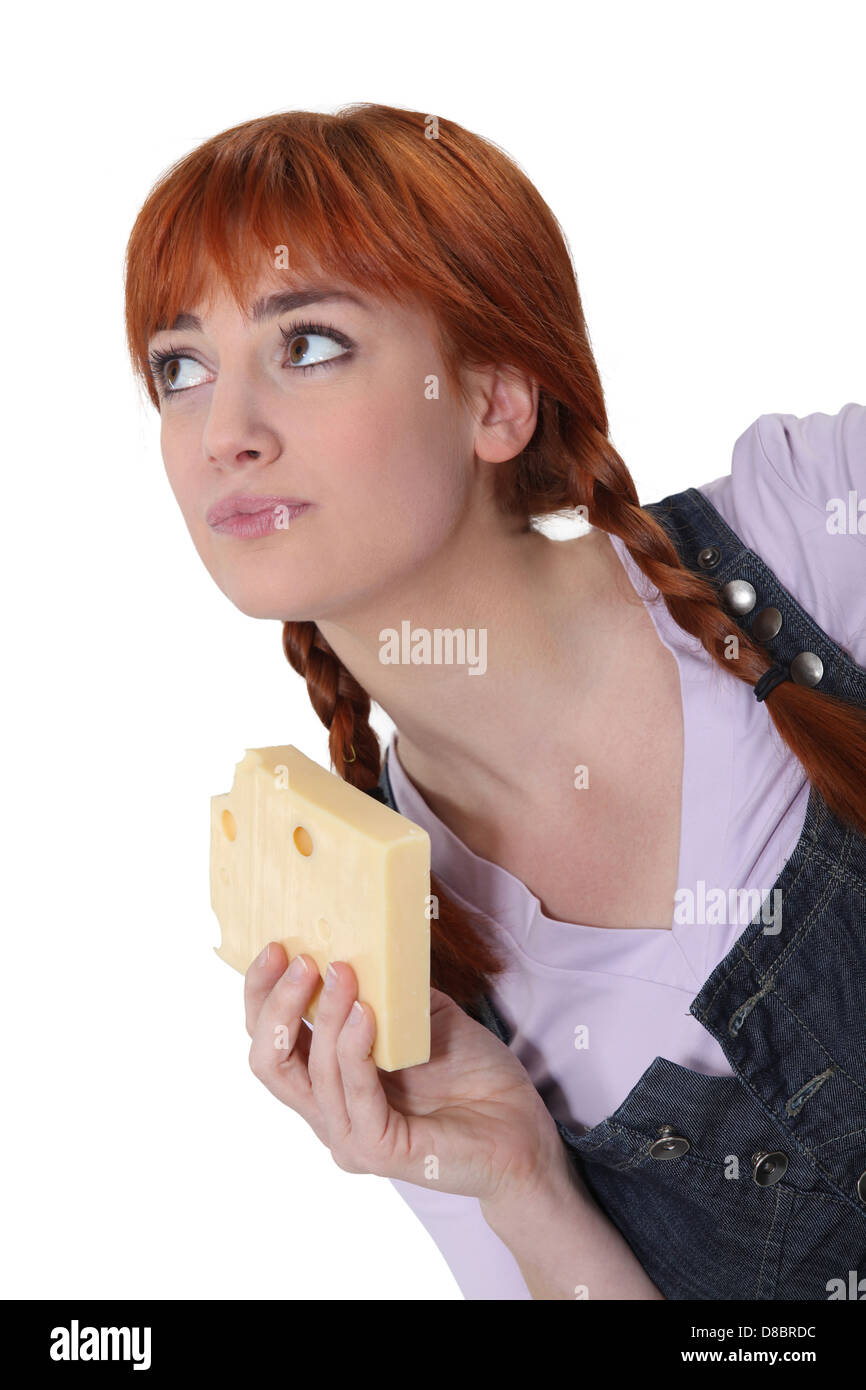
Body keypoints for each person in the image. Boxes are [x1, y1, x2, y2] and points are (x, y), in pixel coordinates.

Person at [124, 102, 866, 1300]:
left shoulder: (808, 541)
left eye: (305, 344)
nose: (224, 432)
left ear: (494, 397)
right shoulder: (373, 954)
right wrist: (520, 1180)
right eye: (179, 367)